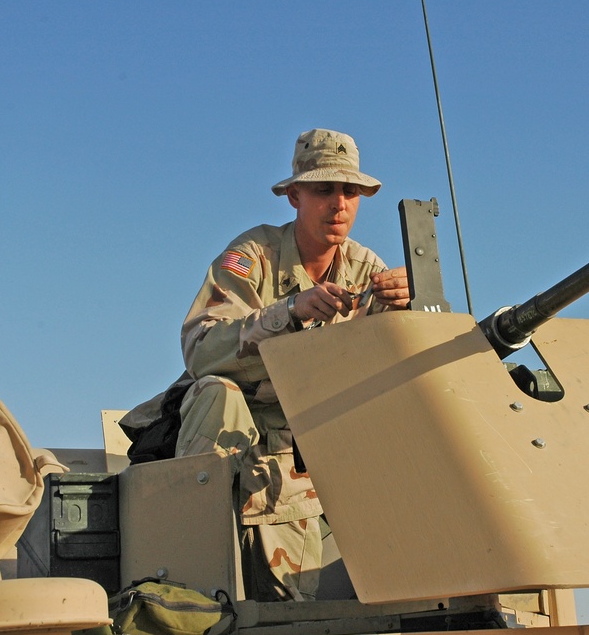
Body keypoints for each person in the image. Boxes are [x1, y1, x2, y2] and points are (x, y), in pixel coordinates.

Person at [126, 128, 409, 602]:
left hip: (298, 443)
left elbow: (383, 372)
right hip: (220, 422)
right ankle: (187, 577)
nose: (339, 204)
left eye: (350, 191)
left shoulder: (367, 270)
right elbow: (200, 351)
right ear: (294, 196)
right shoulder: (252, 255)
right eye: (324, 190)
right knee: (219, 393)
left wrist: (403, 313)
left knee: (285, 605)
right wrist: (289, 312)